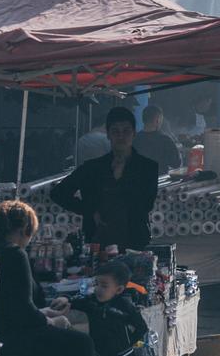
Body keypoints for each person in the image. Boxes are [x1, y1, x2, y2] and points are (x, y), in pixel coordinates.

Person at [0, 200, 96, 356]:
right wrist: (52, 320)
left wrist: (42, 313)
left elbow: (7, 307)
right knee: (80, 344)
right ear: (25, 229)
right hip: (3, 343)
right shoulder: (14, 254)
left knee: (53, 346)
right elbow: (23, 314)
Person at [52, 106, 158, 249]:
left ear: (133, 133)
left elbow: (146, 205)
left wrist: (120, 178)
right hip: (97, 245)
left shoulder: (148, 168)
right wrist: (89, 210)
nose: (121, 136)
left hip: (134, 246)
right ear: (108, 134)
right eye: (115, 131)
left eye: (126, 131)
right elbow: (58, 193)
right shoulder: (92, 168)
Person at [72, 259, 149, 356]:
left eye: (104, 286)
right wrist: (65, 300)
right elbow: (76, 303)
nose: (98, 289)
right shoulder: (92, 303)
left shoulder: (125, 307)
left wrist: (130, 345)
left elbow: (142, 329)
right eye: (97, 284)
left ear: (119, 290)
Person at [133, 103, 183, 176]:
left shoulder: (133, 139)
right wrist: (179, 150)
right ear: (158, 120)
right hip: (159, 183)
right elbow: (176, 164)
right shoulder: (165, 140)